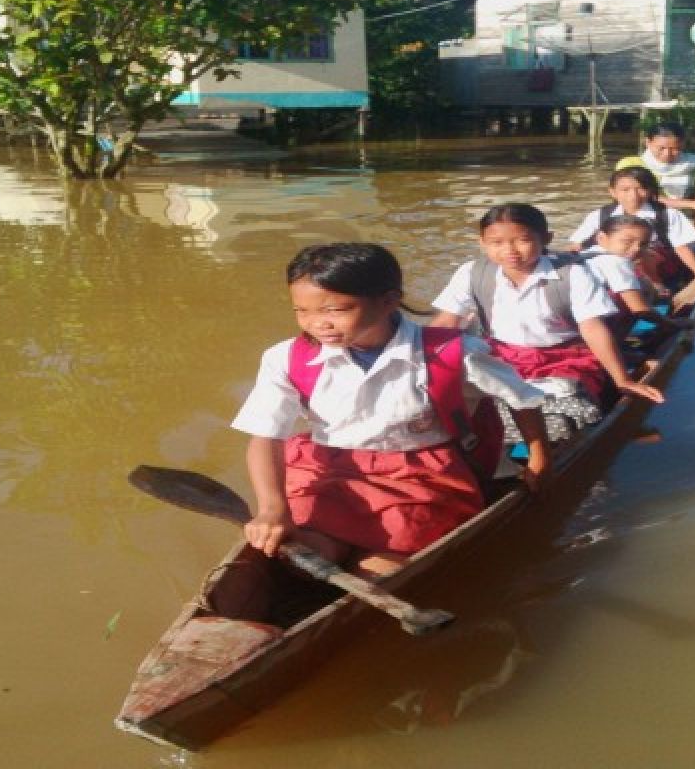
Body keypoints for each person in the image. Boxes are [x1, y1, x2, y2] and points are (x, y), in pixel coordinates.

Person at [232, 242, 550, 580]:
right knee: (300, 559)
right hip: (329, 470)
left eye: (335, 310)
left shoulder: (454, 352)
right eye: (302, 311)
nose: (317, 324)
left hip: (422, 478)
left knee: (376, 572)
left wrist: (539, 457)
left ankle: (366, 565)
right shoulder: (285, 358)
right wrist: (272, 509)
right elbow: (266, 436)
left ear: (388, 301)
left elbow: (522, 398)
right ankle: (328, 551)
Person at [431, 203, 665, 414]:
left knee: (567, 410)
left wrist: (621, 379)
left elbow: (592, 328)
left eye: (523, 240)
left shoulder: (573, 273)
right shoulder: (472, 273)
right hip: (501, 357)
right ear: (482, 243)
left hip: (564, 359)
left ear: (546, 239)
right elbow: (446, 324)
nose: (510, 250)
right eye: (497, 243)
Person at [568, 166, 695, 294]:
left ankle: (656, 285)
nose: (633, 195)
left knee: (641, 253)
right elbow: (577, 244)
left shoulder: (666, 214)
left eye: (640, 189)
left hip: (658, 262)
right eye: (625, 190)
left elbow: (681, 246)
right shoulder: (600, 214)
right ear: (613, 192)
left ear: (651, 191)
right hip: (615, 258)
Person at [582, 214, 695, 341]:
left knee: (641, 284)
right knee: (643, 288)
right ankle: (616, 344)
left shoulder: (585, 254)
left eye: (643, 244)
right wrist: (671, 324)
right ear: (601, 238)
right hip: (590, 328)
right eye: (627, 241)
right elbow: (639, 309)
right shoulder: (616, 262)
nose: (637, 248)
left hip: (571, 327)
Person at [615, 121, 695, 249]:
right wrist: (691, 204)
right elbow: (643, 198)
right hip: (638, 219)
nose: (667, 154)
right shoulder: (631, 164)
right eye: (661, 148)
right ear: (648, 143)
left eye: (675, 149)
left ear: (683, 144)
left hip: (681, 223)